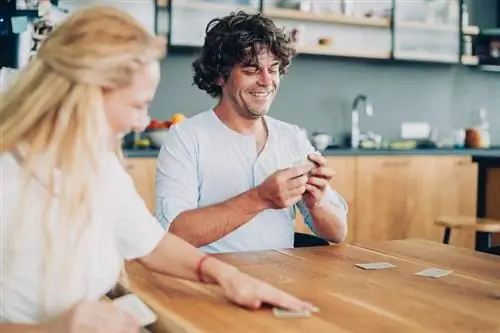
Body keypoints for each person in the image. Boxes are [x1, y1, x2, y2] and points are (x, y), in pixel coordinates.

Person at [0, 6, 318, 332]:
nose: (142, 121)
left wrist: (230, 278)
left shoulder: (100, 166)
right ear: (85, 92)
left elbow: (152, 244)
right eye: (138, 105)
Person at [155, 11, 348, 254]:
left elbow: (338, 233)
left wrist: (317, 203)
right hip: (210, 281)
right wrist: (260, 198)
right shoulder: (186, 138)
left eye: (274, 69)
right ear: (220, 76)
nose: (267, 81)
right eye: (251, 70)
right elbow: (173, 233)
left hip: (279, 280)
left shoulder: (292, 138)